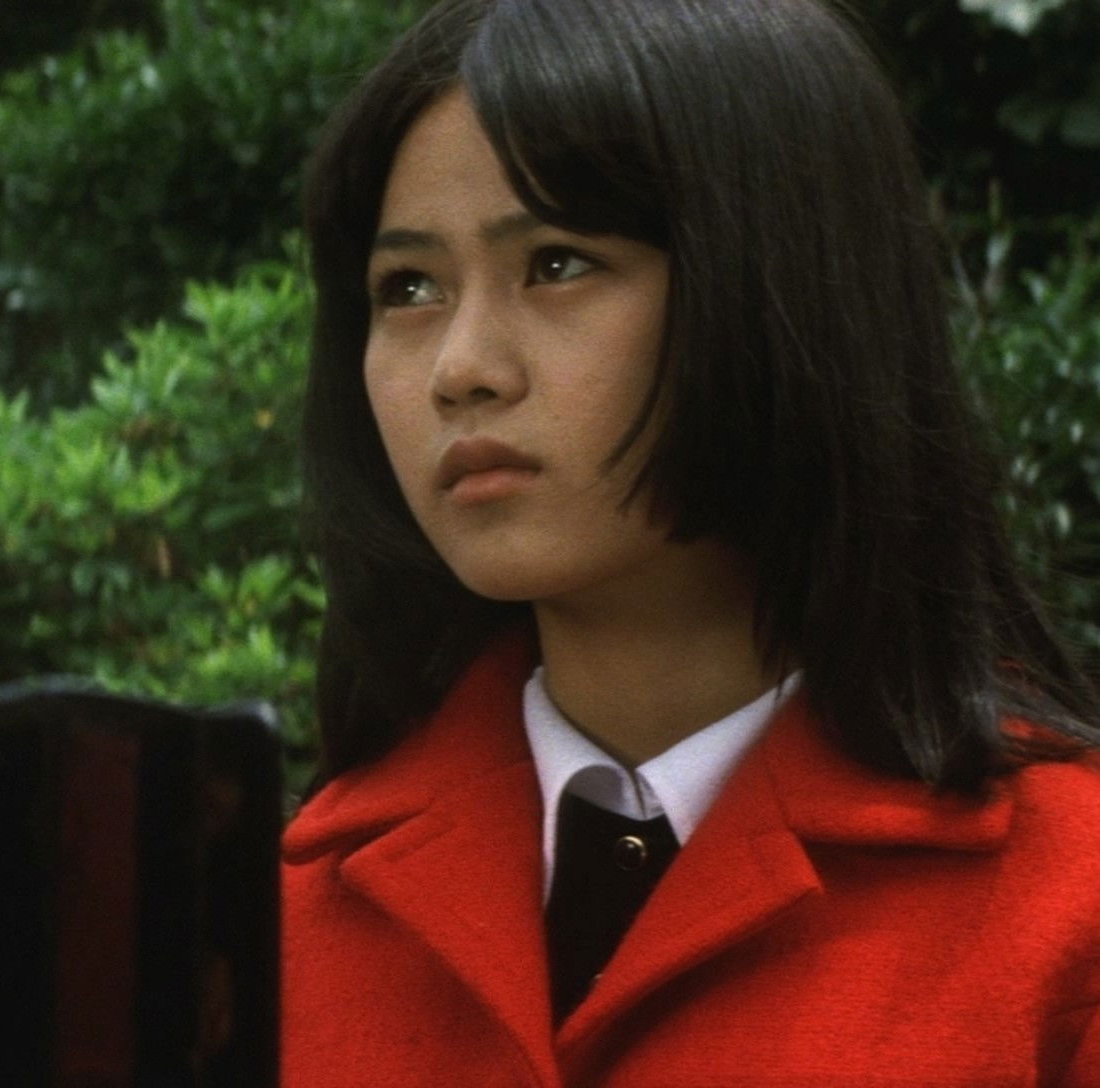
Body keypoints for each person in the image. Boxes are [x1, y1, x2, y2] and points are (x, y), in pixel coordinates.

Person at [280, 0, 1100, 1084]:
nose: (459, 367)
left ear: (780, 283)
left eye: (557, 264)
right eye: (409, 288)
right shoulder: (282, 925)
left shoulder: (1066, 907)